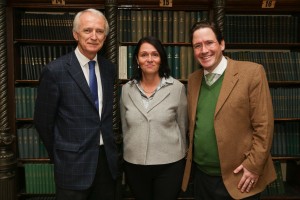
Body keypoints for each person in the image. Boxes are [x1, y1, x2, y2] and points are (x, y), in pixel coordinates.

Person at [181, 20, 276, 200]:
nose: (204, 50)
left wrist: (254, 166)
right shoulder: (193, 80)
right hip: (201, 177)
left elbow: (264, 126)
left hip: (240, 178)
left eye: (209, 43)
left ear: (222, 44)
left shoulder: (251, 73)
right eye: (197, 46)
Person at [34, 8, 120, 200]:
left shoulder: (109, 69)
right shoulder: (55, 71)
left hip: (106, 164)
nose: (94, 36)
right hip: (72, 166)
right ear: (75, 34)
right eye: (87, 30)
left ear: (105, 37)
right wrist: (61, 154)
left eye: (99, 31)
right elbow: (43, 122)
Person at [120, 36, 188, 200]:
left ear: (161, 58)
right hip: (134, 164)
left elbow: (183, 126)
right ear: (137, 59)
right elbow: (124, 127)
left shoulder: (177, 88)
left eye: (155, 54)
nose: (149, 59)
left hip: (170, 164)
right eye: (144, 55)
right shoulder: (126, 89)